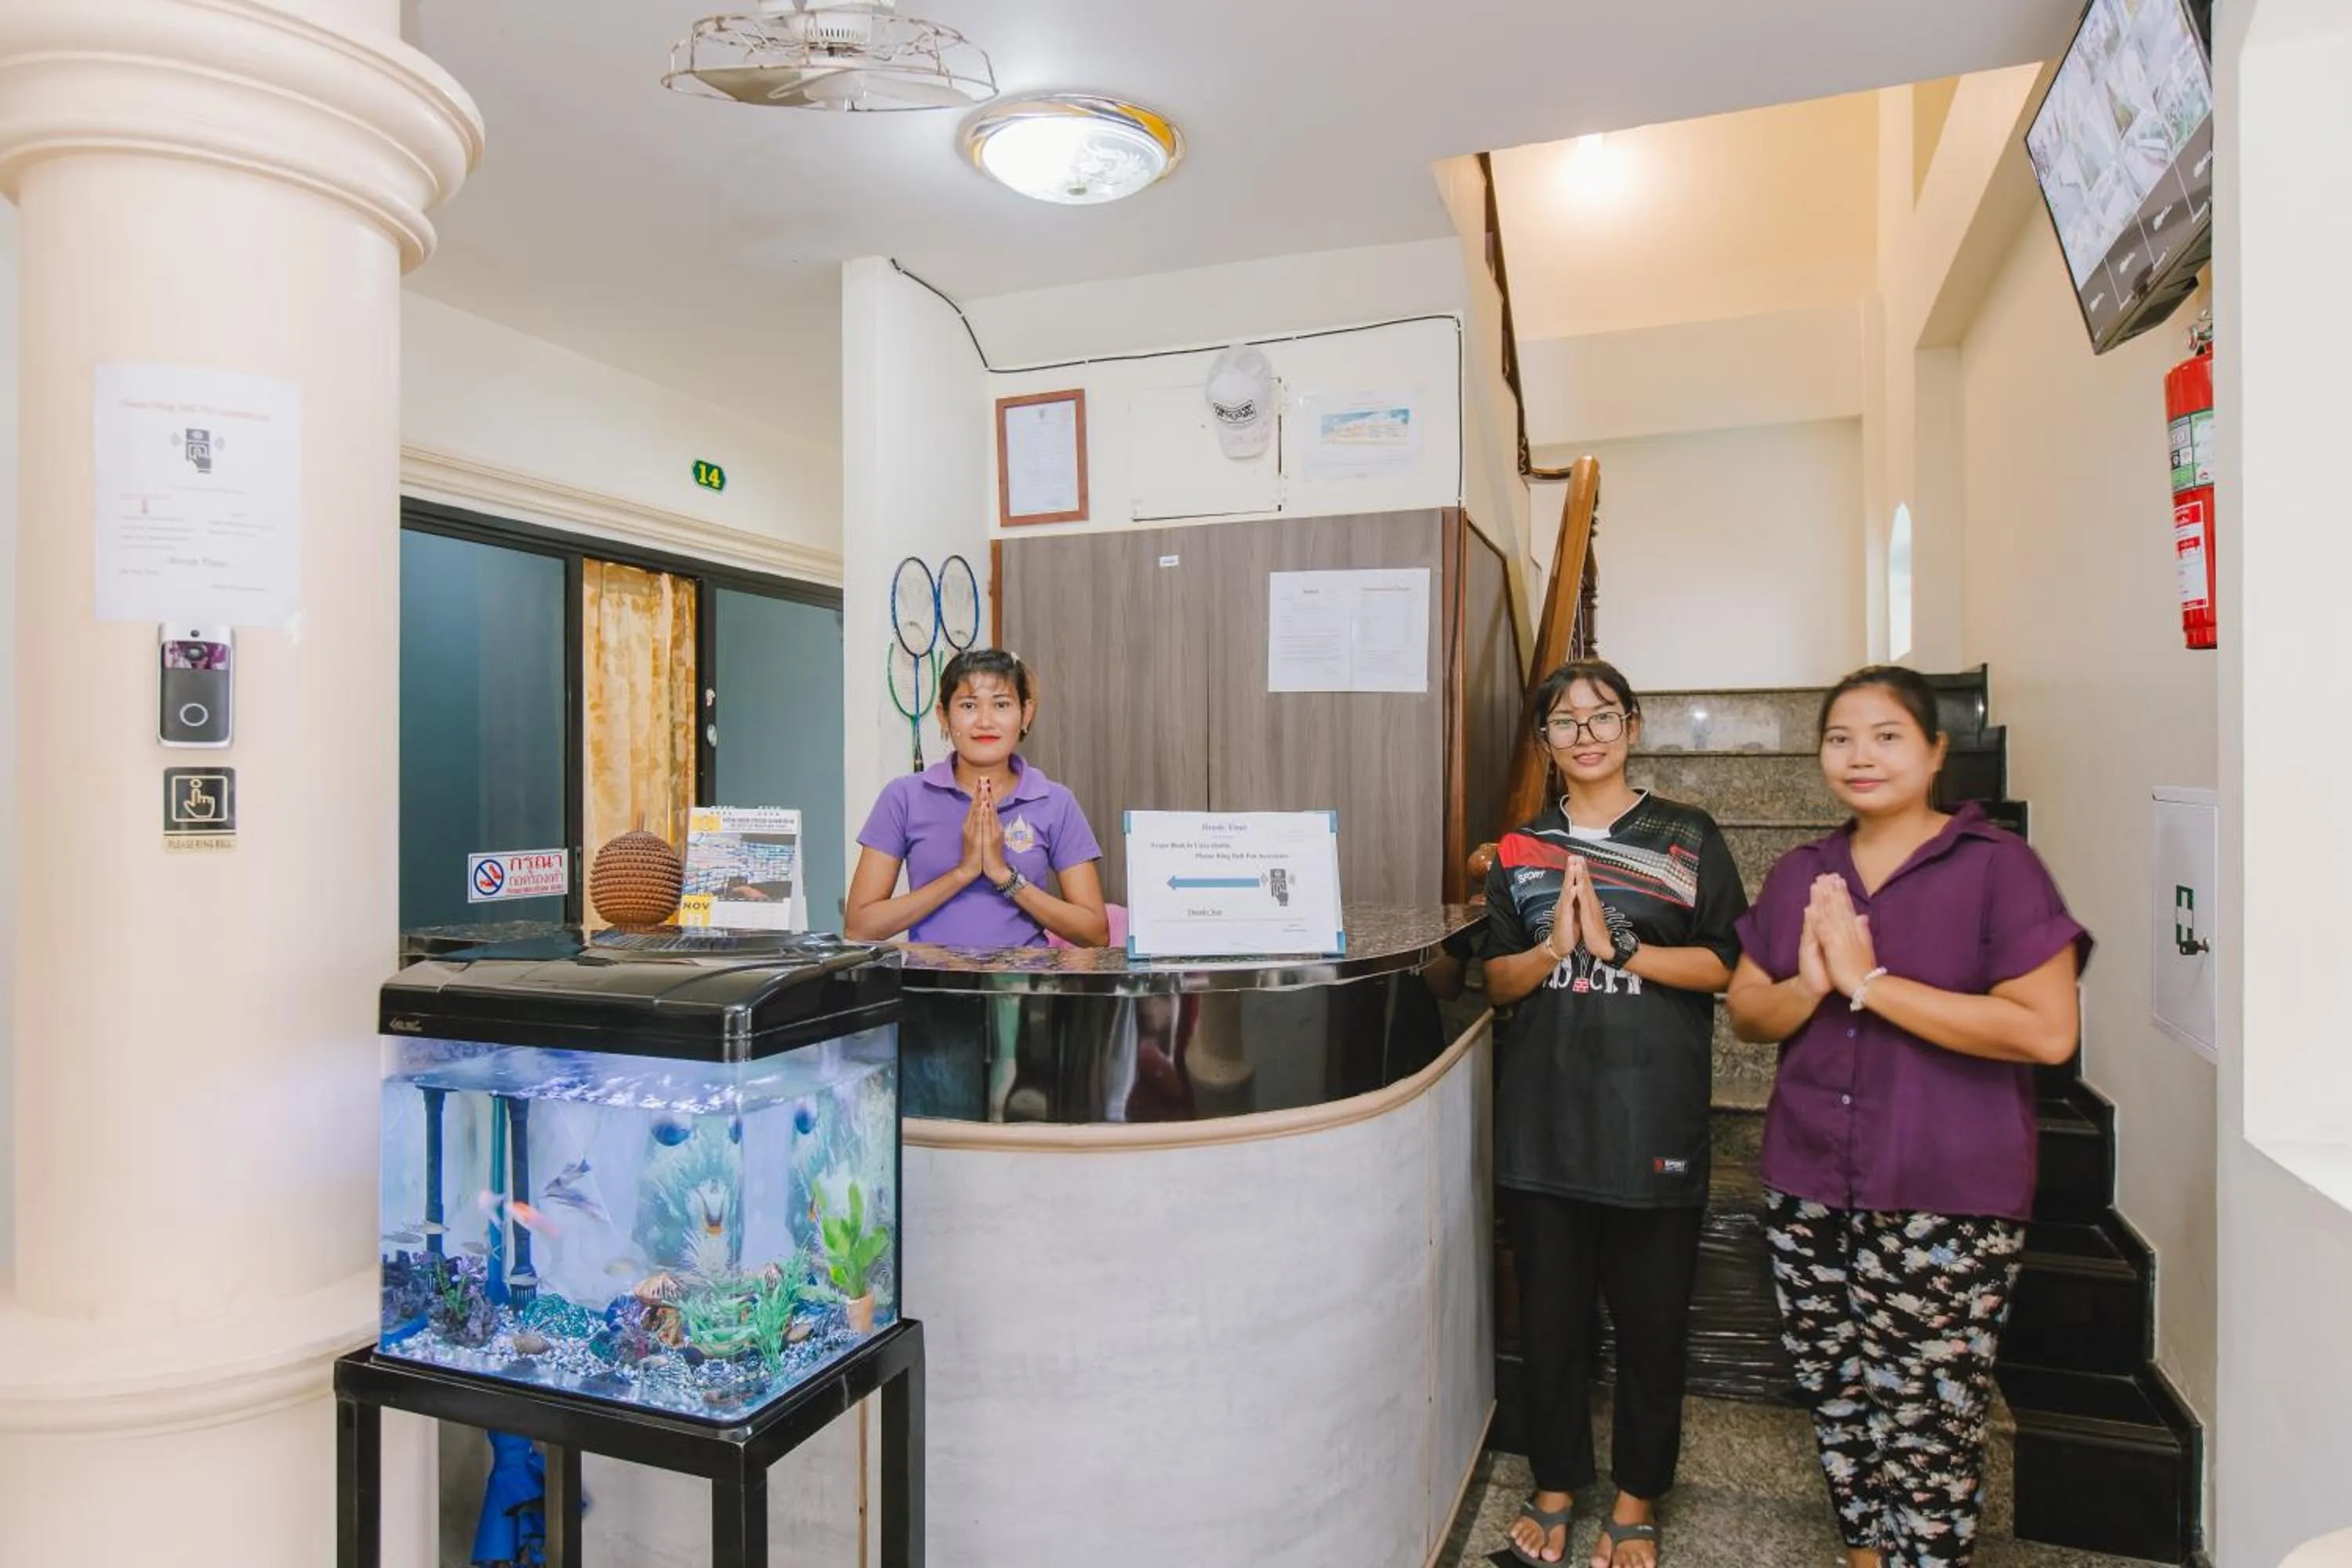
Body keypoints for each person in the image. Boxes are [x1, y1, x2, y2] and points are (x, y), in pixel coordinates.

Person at [1725, 666, 2089, 1568]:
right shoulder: (1805, 871)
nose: (1861, 755)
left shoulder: (1999, 867)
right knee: (1838, 1394)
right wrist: (1812, 981)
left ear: (1934, 752)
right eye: (1841, 737)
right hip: (1809, 1181)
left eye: (1887, 735)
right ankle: (1864, 1553)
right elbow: (1745, 1011)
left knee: (1928, 1425)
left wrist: (1873, 985)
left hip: (1945, 1195)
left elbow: (2046, 1032)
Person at [1483, 660, 1749, 1568]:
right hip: (1543, 1119)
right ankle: (1555, 1485)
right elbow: (1495, 979)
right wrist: (1551, 947)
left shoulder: (1686, 835)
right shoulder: (1519, 851)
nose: (1585, 733)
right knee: (1550, 1323)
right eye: (1564, 721)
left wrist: (1621, 948)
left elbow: (1725, 964)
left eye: (1602, 716)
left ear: (1633, 726)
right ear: (1545, 742)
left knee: (1650, 1324)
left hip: (1651, 1119)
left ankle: (1635, 1498)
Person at [846, 648, 1110, 949]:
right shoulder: (903, 797)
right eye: (969, 705)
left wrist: (1002, 875)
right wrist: (964, 872)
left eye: (1001, 705)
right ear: (944, 717)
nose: (985, 721)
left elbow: (1094, 933)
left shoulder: (1056, 801)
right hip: (930, 988)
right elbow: (860, 927)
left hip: (1025, 988)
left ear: (1026, 714)